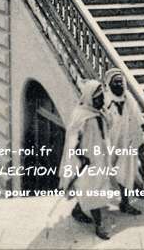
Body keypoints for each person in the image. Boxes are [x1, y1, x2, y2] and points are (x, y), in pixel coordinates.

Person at [58, 80, 112, 240]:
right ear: (90, 98)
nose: (102, 101)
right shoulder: (82, 116)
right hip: (86, 161)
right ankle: (99, 225)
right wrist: (81, 157)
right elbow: (72, 141)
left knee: (95, 189)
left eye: (102, 97)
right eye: (98, 98)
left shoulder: (98, 113)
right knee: (92, 191)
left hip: (100, 158)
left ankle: (78, 211)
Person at [103, 68, 144, 215]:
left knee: (126, 173)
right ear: (109, 84)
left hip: (126, 143)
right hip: (108, 143)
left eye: (120, 82)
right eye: (115, 82)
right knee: (101, 174)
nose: (119, 85)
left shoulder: (128, 100)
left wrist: (138, 139)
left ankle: (125, 203)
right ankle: (89, 205)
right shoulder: (104, 101)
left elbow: (138, 119)